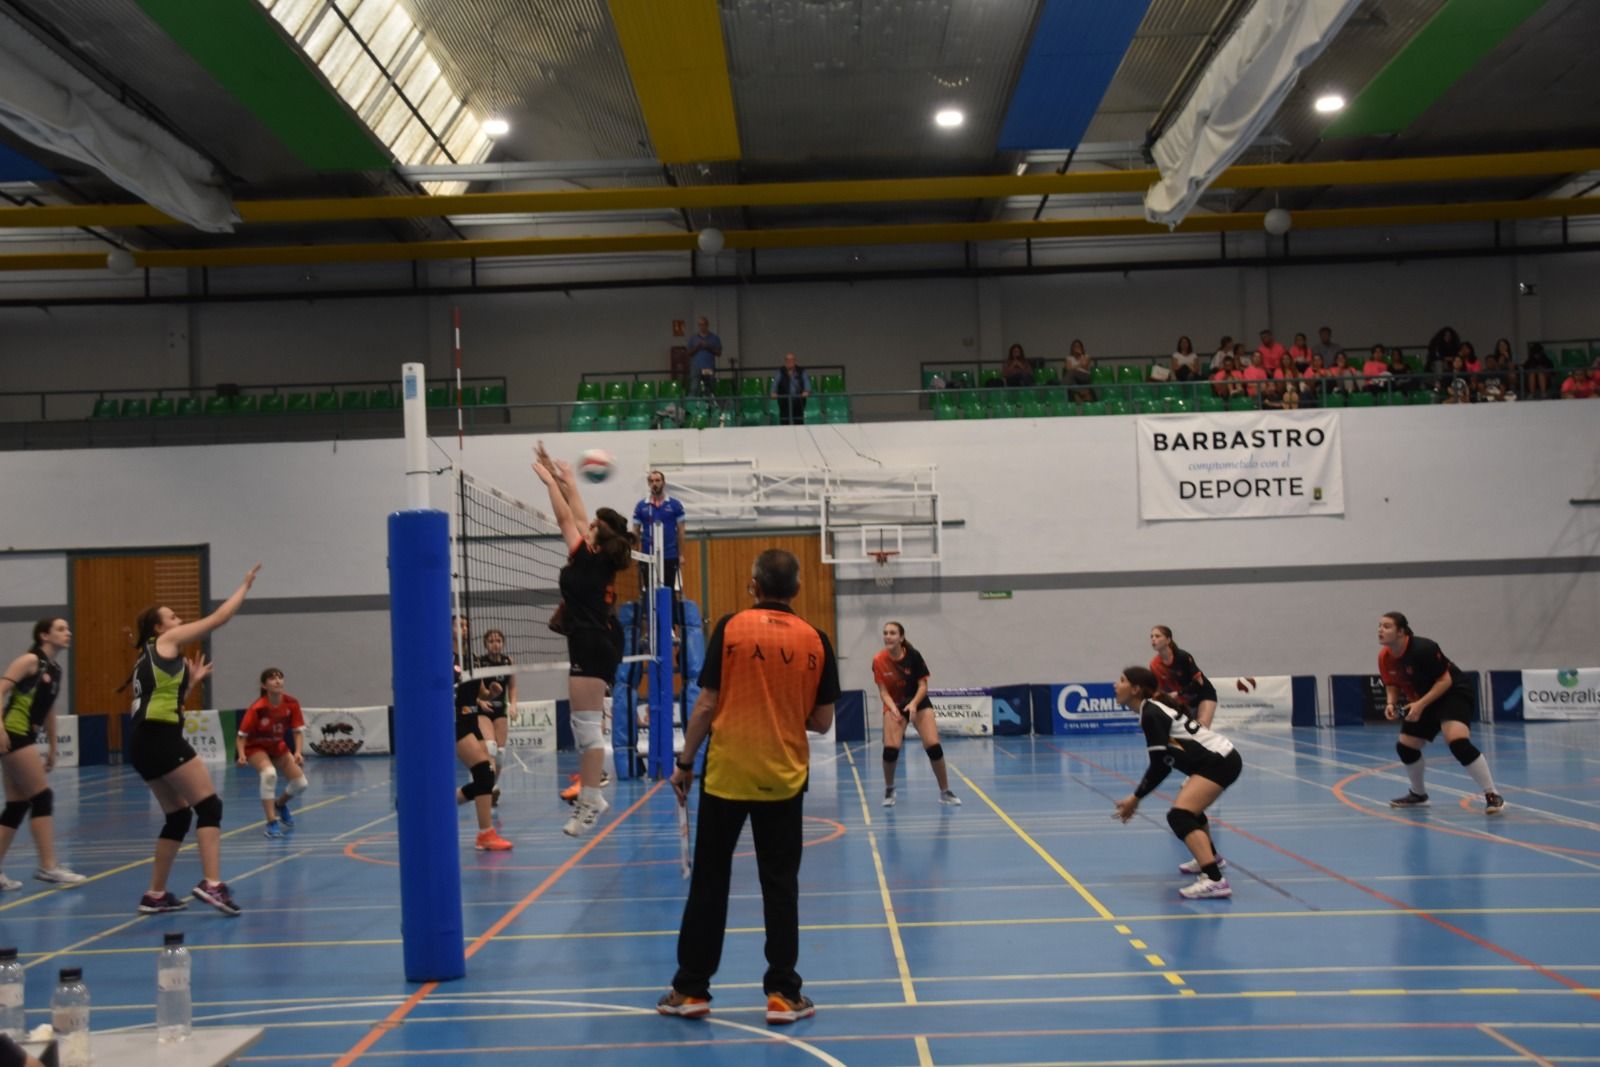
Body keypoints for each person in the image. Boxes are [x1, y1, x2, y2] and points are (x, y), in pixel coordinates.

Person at [657, 549, 839, 1025]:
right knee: (780, 887)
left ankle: (691, 988)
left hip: (727, 776)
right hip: (782, 779)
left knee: (710, 882)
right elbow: (822, 721)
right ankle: (782, 993)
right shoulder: (817, 641)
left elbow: (707, 703)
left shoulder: (731, 628)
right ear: (797, 590)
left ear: (753, 586)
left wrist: (685, 761)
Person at [127, 564, 260, 916]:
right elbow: (218, 618)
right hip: (160, 737)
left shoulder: (148, 658)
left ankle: (154, 894)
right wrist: (244, 587)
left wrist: (192, 682)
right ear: (159, 628)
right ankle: (212, 884)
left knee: (178, 817)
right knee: (210, 807)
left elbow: (168, 701)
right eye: (172, 616)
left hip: (143, 742)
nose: (179, 618)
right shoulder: (167, 642)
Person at [533, 442, 631, 837]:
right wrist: (567, 478)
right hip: (596, 641)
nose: (584, 524)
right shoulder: (596, 557)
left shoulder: (588, 559)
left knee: (587, 730)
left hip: (592, 644)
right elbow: (576, 515)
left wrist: (548, 483)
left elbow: (564, 518)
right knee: (586, 727)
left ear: (596, 537)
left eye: (590, 526)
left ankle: (591, 801)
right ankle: (592, 795)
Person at [1112, 665, 1242, 900]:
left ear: (1135, 688)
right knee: (1190, 807)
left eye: (1121, 680)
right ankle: (1211, 857)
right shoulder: (1150, 710)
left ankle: (1214, 880)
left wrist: (1135, 798)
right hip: (1214, 760)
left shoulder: (1152, 713)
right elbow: (1166, 760)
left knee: (1180, 816)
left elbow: (1160, 764)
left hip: (1219, 761)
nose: (1115, 685)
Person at [1378, 612, 1504, 814]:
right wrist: (1391, 703)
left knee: (1457, 741)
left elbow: (1445, 681)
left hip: (1452, 691)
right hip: (1424, 698)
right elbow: (1392, 682)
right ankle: (1419, 795)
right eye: (1380, 626)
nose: (1380, 630)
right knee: (1406, 746)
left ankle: (1492, 794)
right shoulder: (1385, 657)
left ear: (1401, 631)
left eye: (1386, 626)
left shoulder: (1424, 648)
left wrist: (1419, 705)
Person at [0, 617, 86, 890]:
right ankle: (48, 866)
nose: (68, 633)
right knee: (42, 796)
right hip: (12, 731)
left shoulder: (55, 669)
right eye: (61, 629)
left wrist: (52, 746)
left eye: (68, 628)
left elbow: (48, 709)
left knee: (17, 805)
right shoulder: (29, 660)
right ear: (44, 636)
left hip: (26, 734)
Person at [872, 621, 959, 809]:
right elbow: (883, 691)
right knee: (890, 750)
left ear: (901, 638)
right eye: (885, 633)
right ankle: (889, 789)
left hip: (917, 701)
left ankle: (945, 792)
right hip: (894, 703)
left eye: (892, 633)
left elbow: (923, 686)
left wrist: (913, 704)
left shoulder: (914, 656)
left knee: (933, 745)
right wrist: (893, 709)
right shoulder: (879, 660)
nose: (888, 636)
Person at [452, 617, 510, 851]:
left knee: (487, 775)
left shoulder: (473, 659)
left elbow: (480, 694)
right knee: (484, 771)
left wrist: (492, 693)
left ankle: (433, 806)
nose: (464, 628)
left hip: (472, 720)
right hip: (455, 721)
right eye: (459, 625)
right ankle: (485, 834)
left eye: (466, 625)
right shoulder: (444, 656)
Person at [235, 668, 308, 839]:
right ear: (264, 685)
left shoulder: (291, 703)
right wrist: (241, 755)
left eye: (280, 678)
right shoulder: (257, 708)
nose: (277, 681)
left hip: (278, 747)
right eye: (273, 679)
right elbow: (241, 737)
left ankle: (280, 804)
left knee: (301, 783)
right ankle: (271, 822)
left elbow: (297, 731)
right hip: (256, 748)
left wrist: (297, 752)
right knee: (269, 774)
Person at [1148, 626, 1219, 728]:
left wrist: (1178, 693)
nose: (1153, 639)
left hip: (1204, 693)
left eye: (1158, 636)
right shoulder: (1154, 665)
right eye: (1152, 636)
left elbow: (1199, 683)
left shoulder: (1182, 657)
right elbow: (1160, 690)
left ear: (1168, 640)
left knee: (1202, 729)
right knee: (1184, 732)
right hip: (1184, 700)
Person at [476, 629, 515, 806]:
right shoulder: (480, 663)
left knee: (500, 753)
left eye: (498, 640)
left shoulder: (508, 662)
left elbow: (512, 687)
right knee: (490, 747)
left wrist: (513, 704)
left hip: (501, 711)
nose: (495, 644)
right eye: (491, 641)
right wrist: (479, 701)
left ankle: (493, 786)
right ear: (486, 644)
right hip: (484, 709)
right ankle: (487, 787)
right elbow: (474, 687)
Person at [770, 352, 812, 425]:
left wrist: (806, 391)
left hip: (798, 401)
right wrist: (773, 392)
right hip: (784, 401)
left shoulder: (801, 371)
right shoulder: (780, 371)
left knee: (799, 422)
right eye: (787, 360)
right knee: (784, 422)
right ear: (785, 361)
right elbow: (775, 383)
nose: (789, 362)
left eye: (791, 360)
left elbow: (806, 381)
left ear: (795, 361)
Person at [686, 316, 722, 397]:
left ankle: (708, 407)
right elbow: (688, 353)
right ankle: (691, 408)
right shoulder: (693, 338)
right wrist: (698, 347)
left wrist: (708, 347)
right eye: (700, 325)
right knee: (694, 388)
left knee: (709, 388)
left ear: (707, 325)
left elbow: (719, 353)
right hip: (696, 367)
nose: (702, 326)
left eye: (703, 324)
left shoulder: (714, 338)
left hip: (708, 367)